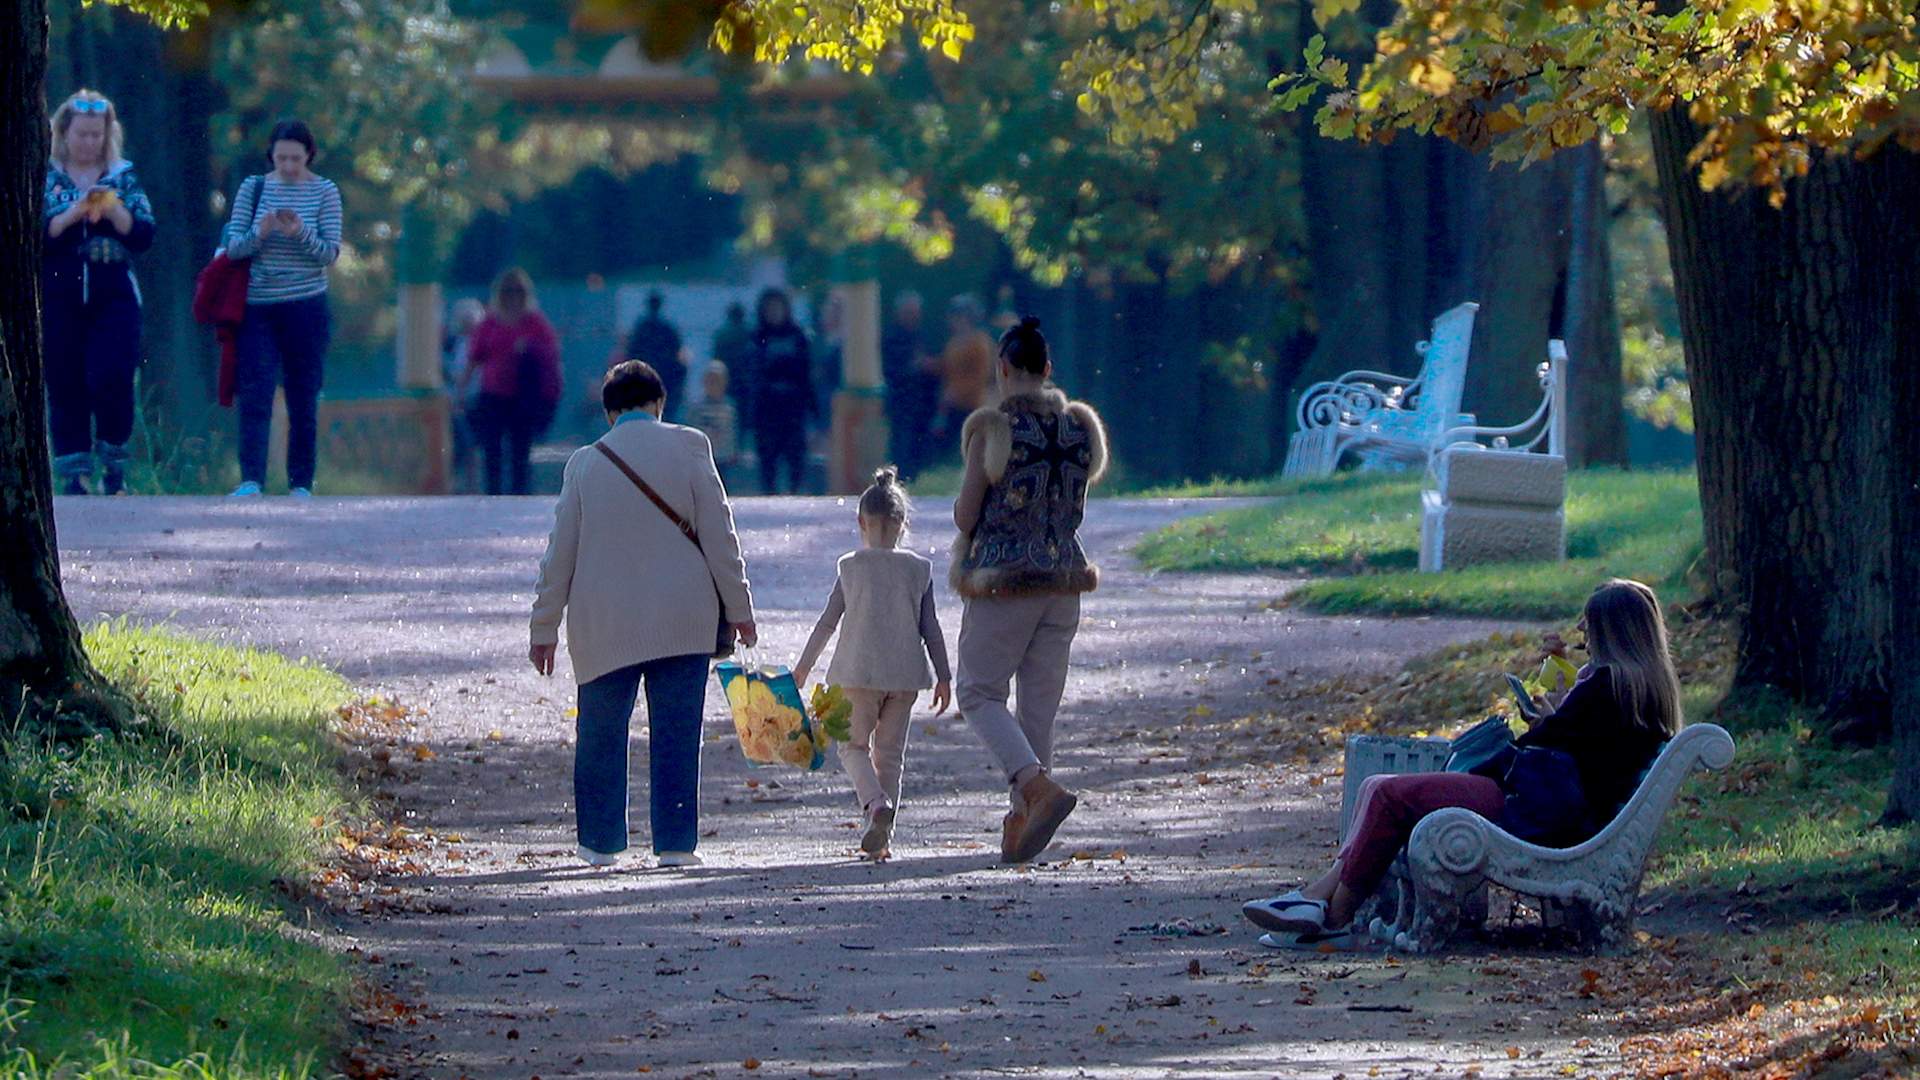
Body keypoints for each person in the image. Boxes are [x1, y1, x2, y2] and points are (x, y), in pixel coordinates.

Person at [1241, 578, 1683, 946]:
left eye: (1590, 633)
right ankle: (1315, 901)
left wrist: (1545, 715)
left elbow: (1547, 740)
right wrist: (1559, 711)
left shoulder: (1607, 684)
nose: (1584, 641)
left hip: (1535, 809)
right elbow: (1581, 744)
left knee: (1390, 793)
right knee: (1379, 785)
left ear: (1611, 632)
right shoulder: (1638, 688)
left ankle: (1330, 919)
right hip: (1548, 801)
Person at [530, 360, 757, 869]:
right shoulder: (691, 445)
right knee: (677, 734)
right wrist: (741, 609)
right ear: (660, 404)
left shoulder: (584, 464)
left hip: (603, 621)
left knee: (601, 735)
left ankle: (600, 844)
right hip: (684, 616)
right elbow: (721, 536)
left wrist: (543, 626)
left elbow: (558, 553)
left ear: (610, 413)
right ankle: (676, 844)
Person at [952, 316, 1109, 863]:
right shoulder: (1077, 428)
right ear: (1047, 370)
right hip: (1064, 579)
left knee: (978, 691)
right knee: (1038, 708)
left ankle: (1034, 788)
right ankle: (1024, 818)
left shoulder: (993, 430)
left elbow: (967, 513)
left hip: (1004, 583)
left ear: (1001, 369)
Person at [792, 466, 953, 859]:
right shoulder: (919, 569)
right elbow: (930, 628)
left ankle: (874, 805)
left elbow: (827, 623)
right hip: (905, 677)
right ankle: (884, 836)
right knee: (890, 755)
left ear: (860, 522)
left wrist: (803, 668)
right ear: (902, 524)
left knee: (852, 747)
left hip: (857, 674)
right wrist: (944, 677)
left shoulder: (850, 566)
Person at [43, 90, 156, 496]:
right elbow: (37, 234)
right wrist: (74, 212)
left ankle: (114, 464)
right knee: (65, 376)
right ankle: (73, 472)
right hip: (61, 290)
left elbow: (144, 233)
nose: (89, 143)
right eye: (82, 135)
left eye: (96, 135)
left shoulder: (122, 176)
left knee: (113, 373)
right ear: (64, 134)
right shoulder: (47, 176)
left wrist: (114, 211)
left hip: (114, 290)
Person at [221, 119, 342, 498]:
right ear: (271, 156)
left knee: (303, 395)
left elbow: (329, 253)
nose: (288, 166)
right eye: (281, 158)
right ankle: (251, 479)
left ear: (309, 155)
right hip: (259, 307)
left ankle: (301, 482)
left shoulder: (325, 192)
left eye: (295, 158)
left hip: (306, 306)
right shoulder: (253, 188)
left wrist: (299, 232)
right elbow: (234, 247)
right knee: (255, 392)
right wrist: (262, 232)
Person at [462, 268, 561, 496]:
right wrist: (461, 390)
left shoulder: (535, 323)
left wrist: (530, 349)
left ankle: (519, 496)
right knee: (492, 450)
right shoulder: (489, 323)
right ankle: (493, 496)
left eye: (518, 291)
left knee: (520, 451)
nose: (513, 296)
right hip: (493, 395)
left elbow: (551, 355)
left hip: (523, 397)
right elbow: (474, 358)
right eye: (508, 291)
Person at [749, 288, 817, 494]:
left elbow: (808, 375)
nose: (774, 313)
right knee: (767, 461)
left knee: (796, 459)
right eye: (770, 308)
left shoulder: (798, 337)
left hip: (793, 408)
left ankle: (795, 499)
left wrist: (814, 412)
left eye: (778, 308)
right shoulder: (756, 337)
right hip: (767, 408)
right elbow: (751, 374)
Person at [880, 291, 938, 480]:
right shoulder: (891, 336)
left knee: (919, 447)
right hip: (901, 402)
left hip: (923, 403)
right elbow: (890, 369)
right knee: (901, 447)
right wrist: (912, 366)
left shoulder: (923, 335)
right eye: (909, 312)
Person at [935, 294, 995, 448]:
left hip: (972, 404)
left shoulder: (980, 343)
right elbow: (947, 368)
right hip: (950, 405)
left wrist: (957, 392)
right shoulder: (953, 342)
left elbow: (982, 376)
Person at [442, 297, 486, 494]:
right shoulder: (459, 343)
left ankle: (472, 485)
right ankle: (463, 484)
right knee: (462, 446)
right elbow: (456, 374)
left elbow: (470, 375)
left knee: (471, 446)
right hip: (461, 403)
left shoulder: (479, 342)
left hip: (475, 401)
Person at [623, 290, 688, 421]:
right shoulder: (667, 328)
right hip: (665, 379)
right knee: (666, 416)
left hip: (643, 379)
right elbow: (678, 355)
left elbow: (631, 354)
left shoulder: (640, 328)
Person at [685, 361, 741, 485]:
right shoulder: (696, 407)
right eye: (710, 381)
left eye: (718, 381)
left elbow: (734, 430)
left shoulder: (730, 406)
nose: (714, 385)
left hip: (724, 456)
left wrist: (735, 451)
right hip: (702, 457)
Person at [709, 300, 755, 432]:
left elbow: (716, 358)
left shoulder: (723, 334)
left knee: (729, 415)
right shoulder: (749, 332)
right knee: (742, 416)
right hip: (744, 380)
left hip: (729, 380)